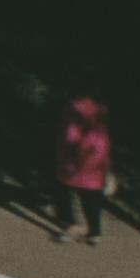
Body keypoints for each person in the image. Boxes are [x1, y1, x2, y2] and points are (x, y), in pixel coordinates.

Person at [57, 92, 115, 249]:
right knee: (92, 196)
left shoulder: (74, 105)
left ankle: (73, 225)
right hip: (98, 154)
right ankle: (95, 232)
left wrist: (65, 154)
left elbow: (70, 135)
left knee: (67, 189)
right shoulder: (101, 106)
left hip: (79, 155)